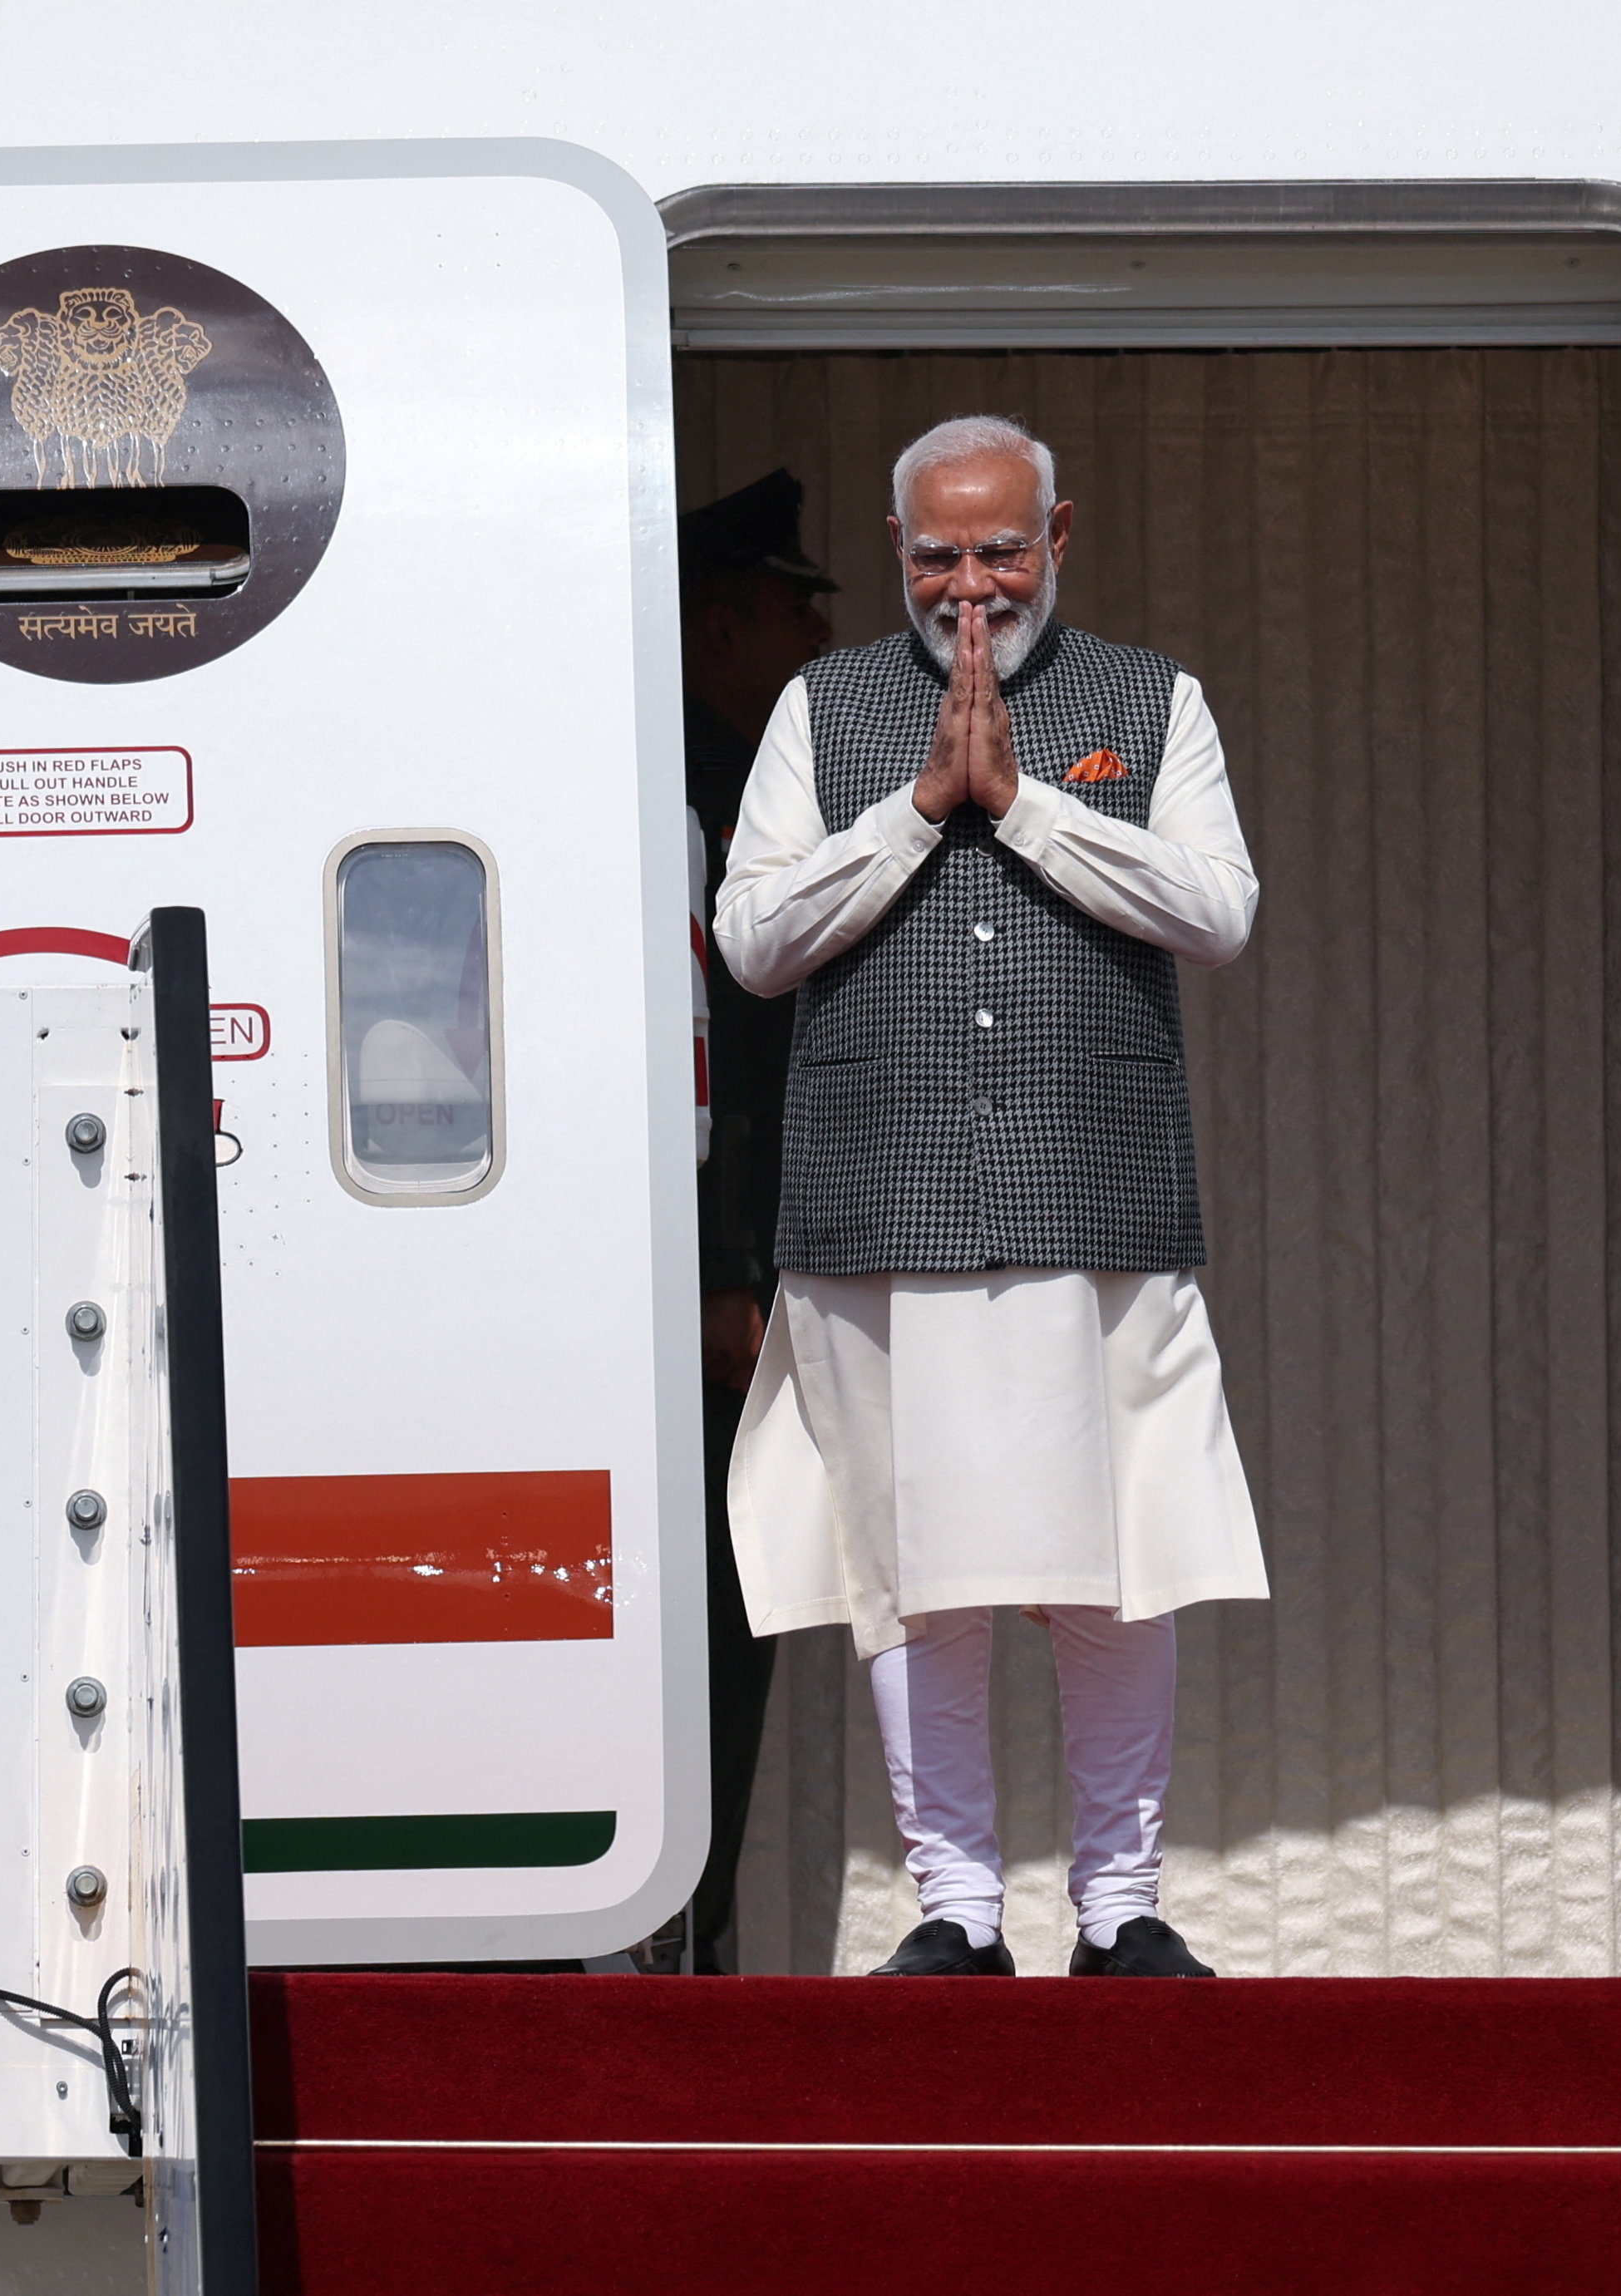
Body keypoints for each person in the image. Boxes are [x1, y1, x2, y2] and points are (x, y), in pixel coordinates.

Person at [712, 415, 1265, 1978]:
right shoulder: (821, 709)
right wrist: (913, 813)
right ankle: (954, 1907)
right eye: (938, 555)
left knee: (1116, 1568)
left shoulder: (1153, 701)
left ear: (1058, 534)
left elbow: (1217, 911)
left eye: (1000, 549)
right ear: (898, 552)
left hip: (1098, 1208)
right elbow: (752, 938)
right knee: (911, 1576)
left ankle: (1119, 1909)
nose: (971, 588)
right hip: (877, 1217)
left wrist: (1023, 805)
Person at [669, 470, 838, 1973]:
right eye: (794, 611)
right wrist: (715, 1290)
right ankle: (677, 1959)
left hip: (748, 1306)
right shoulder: (689, 805)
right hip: (703, 1323)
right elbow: (699, 1084)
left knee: (744, 1631)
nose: (811, 644)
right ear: (718, 622)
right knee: (701, 1650)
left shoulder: (751, 794)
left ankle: (696, 1945)